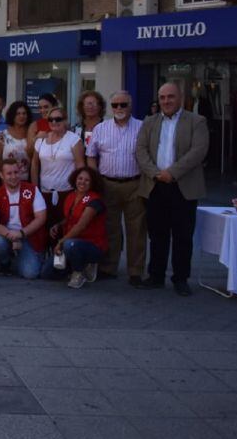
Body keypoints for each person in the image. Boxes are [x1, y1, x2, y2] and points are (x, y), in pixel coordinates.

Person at [135, 82, 208, 296]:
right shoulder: (149, 122)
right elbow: (140, 150)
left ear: (181, 97)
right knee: (157, 234)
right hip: (155, 186)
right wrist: (156, 173)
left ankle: (180, 278)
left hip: (183, 187)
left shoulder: (197, 121)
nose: (166, 101)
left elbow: (198, 151)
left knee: (183, 236)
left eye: (170, 97)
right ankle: (156, 276)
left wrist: (172, 172)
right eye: (162, 97)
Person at [86, 90, 145, 284]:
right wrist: (97, 179)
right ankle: (109, 267)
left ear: (131, 105)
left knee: (136, 230)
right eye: (115, 105)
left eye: (123, 105)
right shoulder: (101, 128)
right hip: (108, 184)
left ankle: (135, 271)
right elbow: (91, 155)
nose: (119, 108)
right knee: (110, 228)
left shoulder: (142, 127)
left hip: (134, 184)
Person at [42, 166, 108, 289]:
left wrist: (61, 241)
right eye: (80, 178)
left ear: (92, 183)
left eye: (87, 180)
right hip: (73, 242)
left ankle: (79, 273)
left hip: (91, 244)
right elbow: (71, 217)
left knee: (69, 244)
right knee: (46, 272)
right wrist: (58, 225)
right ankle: (79, 266)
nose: (82, 182)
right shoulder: (72, 196)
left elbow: (81, 225)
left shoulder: (94, 201)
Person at [0, 158, 47, 278]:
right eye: (9, 173)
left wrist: (21, 233)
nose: (13, 176)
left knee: (31, 274)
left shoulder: (32, 190)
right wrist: (11, 236)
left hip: (29, 236)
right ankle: (5, 262)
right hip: (7, 236)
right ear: (2, 175)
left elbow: (41, 217)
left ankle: (25, 255)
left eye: (16, 172)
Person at [32, 106, 84, 228]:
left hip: (67, 191)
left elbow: (80, 165)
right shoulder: (41, 140)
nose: (54, 122)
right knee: (46, 227)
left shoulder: (74, 140)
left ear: (65, 120)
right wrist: (35, 189)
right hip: (44, 192)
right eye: (51, 119)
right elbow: (34, 164)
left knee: (65, 226)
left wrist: (79, 190)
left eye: (58, 119)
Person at [0, 101, 33, 181]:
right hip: (7, 181)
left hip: (28, 181)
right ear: (12, 115)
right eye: (18, 114)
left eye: (24, 113)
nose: (21, 116)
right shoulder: (3, 135)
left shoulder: (32, 134)